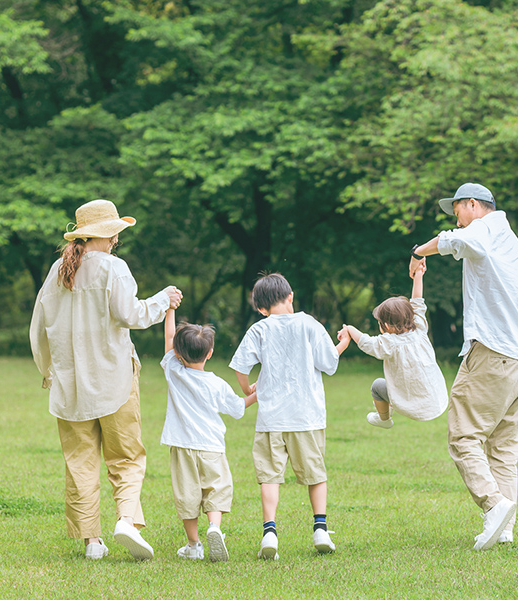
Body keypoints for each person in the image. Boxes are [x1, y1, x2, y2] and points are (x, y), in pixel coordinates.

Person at [29, 199, 183, 561]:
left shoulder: (57, 271)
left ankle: (92, 542)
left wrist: (47, 371)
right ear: (111, 233)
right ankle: (126, 521)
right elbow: (130, 314)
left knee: (79, 461)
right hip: (114, 380)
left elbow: (38, 329)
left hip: (69, 386)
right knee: (126, 457)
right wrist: (163, 299)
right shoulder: (114, 269)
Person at [408, 183, 518, 551]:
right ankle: (506, 527)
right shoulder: (516, 248)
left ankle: (494, 506)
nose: (456, 220)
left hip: (493, 355)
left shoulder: (485, 227)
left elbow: (456, 241)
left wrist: (420, 251)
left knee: (464, 436)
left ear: (471, 205)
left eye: (457, 212)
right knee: (503, 447)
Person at [229, 273, 350, 560]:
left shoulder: (259, 330)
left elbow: (240, 367)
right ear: (291, 295)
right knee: (315, 474)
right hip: (307, 416)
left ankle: (269, 532)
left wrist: (248, 389)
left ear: (260, 308)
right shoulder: (309, 324)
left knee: (270, 476)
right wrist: (343, 342)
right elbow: (329, 364)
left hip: (271, 417)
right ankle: (320, 528)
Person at [160, 308, 257, 562]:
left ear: (177, 354)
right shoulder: (216, 384)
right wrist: (256, 394)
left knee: (187, 495)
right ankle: (215, 527)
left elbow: (170, 337)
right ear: (210, 353)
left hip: (182, 446)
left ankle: (194, 545)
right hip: (212, 447)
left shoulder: (174, 371)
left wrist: (170, 309)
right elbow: (237, 409)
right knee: (216, 489)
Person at [338, 261, 448, 429]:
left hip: (411, 404)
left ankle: (384, 419)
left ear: (387, 326)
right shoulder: (419, 327)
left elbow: (367, 343)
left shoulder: (390, 342)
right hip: (436, 400)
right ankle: (387, 407)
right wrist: (418, 275)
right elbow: (418, 301)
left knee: (377, 387)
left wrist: (350, 329)